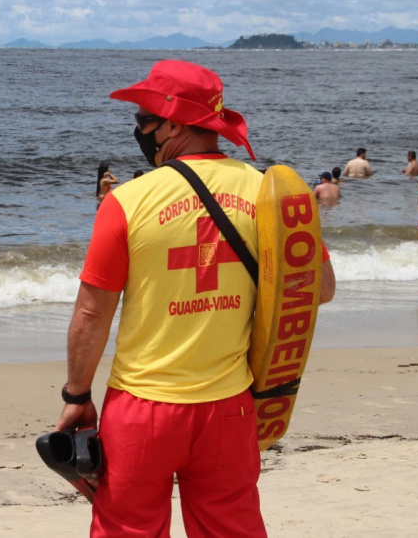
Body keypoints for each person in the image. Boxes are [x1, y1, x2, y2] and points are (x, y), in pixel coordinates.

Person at [53, 60, 336, 538]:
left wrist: (77, 396)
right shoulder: (268, 193)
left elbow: (91, 312)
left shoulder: (127, 201)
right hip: (229, 407)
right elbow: (319, 288)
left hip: (142, 408)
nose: (139, 130)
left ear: (175, 123)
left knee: (127, 529)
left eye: (144, 120)